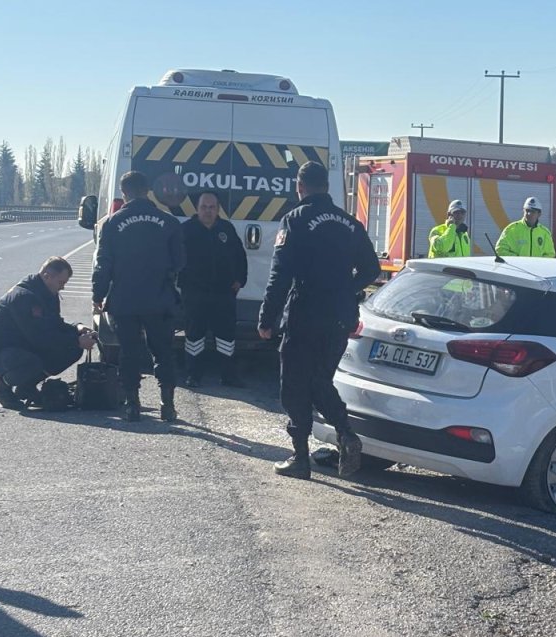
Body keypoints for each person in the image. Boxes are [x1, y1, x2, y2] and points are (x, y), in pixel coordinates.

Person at [259, 161, 381, 480]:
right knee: (319, 380)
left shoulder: (295, 220)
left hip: (306, 312)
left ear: (299, 187)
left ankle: (301, 458)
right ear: (326, 186)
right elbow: (371, 270)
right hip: (340, 315)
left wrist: (266, 318)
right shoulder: (350, 223)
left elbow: (279, 276)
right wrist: (344, 289)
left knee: (294, 385)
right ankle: (346, 435)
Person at [92, 171, 185, 422]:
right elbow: (180, 262)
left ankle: (132, 405)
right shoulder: (169, 222)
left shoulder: (112, 223)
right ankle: (168, 406)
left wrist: (98, 294)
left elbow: (103, 264)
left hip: (125, 300)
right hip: (159, 298)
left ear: (124, 193)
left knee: (129, 353)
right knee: (163, 351)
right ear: (148, 191)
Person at [0, 257, 97, 409]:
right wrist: (76, 340)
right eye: (61, 282)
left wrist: (77, 328)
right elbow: (39, 337)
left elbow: (54, 325)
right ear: (47, 276)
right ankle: (3, 389)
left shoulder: (48, 293)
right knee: (31, 362)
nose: (63, 287)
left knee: (72, 350)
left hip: (21, 346)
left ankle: (26, 386)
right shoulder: (23, 297)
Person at [179, 190, 248, 388]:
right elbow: (176, 259)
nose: (208, 211)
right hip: (195, 293)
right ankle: (193, 375)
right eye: (204, 207)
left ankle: (228, 375)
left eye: (212, 207)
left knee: (226, 335)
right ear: (197, 208)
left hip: (223, 292)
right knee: (194, 335)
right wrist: (181, 282)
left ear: (218, 209)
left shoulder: (226, 229)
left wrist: (239, 280)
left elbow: (240, 257)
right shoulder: (186, 230)